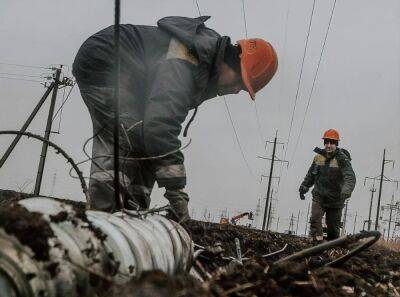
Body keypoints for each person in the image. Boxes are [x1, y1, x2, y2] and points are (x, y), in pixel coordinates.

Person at [72, 16, 278, 221]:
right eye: (239, 83)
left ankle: (132, 217)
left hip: (134, 75)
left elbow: (155, 137)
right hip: (106, 60)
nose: (234, 91)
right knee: (125, 136)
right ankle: (101, 222)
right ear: (233, 62)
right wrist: (176, 193)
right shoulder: (187, 58)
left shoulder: (202, 68)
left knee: (144, 142)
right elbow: (160, 127)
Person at [299, 129, 356, 240]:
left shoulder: (342, 159)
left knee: (333, 231)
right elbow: (311, 174)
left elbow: (350, 177)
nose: (329, 145)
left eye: (332, 143)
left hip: (336, 199)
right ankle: (316, 242)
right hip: (319, 195)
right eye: (327, 142)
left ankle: (331, 249)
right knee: (315, 219)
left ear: (336, 144)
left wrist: (347, 190)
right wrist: (304, 187)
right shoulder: (319, 157)